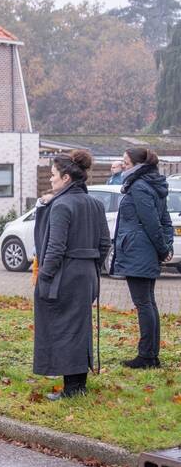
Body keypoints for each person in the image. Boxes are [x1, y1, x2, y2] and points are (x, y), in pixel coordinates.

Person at [33, 150, 112, 400]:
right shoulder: (95, 204)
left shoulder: (62, 205)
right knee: (79, 328)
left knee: (64, 328)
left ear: (66, 177)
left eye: (53, 174)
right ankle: (78, 386)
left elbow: (55, 247)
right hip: (87, 274)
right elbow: (105, 244)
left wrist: (45, 276)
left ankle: (72, 389)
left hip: (65, 275)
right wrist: (92, 267)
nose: (50, 179)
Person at [110, 148, 174, 369]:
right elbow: (164, 221)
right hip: (144, 251)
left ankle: (146, 356)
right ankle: (151, 355)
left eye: (126, 163)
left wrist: (164, 248)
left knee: (144, 303)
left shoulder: (139, 187)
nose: (123, 166)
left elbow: (153, 222)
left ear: (138, 165)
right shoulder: (152, 185)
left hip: (138, 252)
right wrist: (165, 247)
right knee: (148, 303)